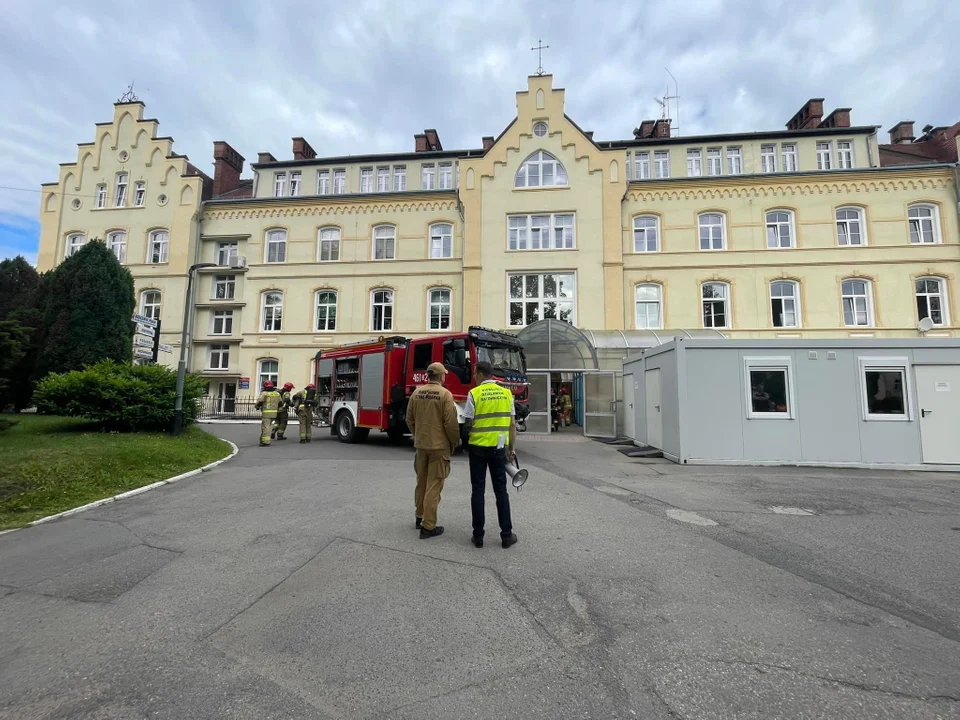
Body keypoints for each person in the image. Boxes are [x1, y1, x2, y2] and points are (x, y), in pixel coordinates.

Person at [464, 361, 518, 549]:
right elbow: (512, 424)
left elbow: (468, 423)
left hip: (478, 449)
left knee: (477, 491)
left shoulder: (474, 393)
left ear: (479, 374)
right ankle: (506, 535)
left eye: (474, 373)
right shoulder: (506, 393)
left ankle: (478, 536)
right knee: (501, 491)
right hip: (499, 449)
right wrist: (511, 449)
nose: (473, 377)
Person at [405, 362, 460, 540]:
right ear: (441, 376)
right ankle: (428, 526)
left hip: (421, 446)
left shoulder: (416, 393)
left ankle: (419, 517)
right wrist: (454, 442)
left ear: (428, 376)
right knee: (434, 486)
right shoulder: (445, 395)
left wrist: (418, 435)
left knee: (421, 482)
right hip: (439, 447)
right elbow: (450, 423)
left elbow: (409, 419)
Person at [255, 380, 282, 447]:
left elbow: (260, 401)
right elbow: (280, 403)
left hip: (266, 413)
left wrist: (257, 406)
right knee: (267, 426)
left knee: (265, 427)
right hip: (274, 413)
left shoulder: (264, 393)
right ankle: (262, 439)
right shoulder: (277, 393)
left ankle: (265, 441)